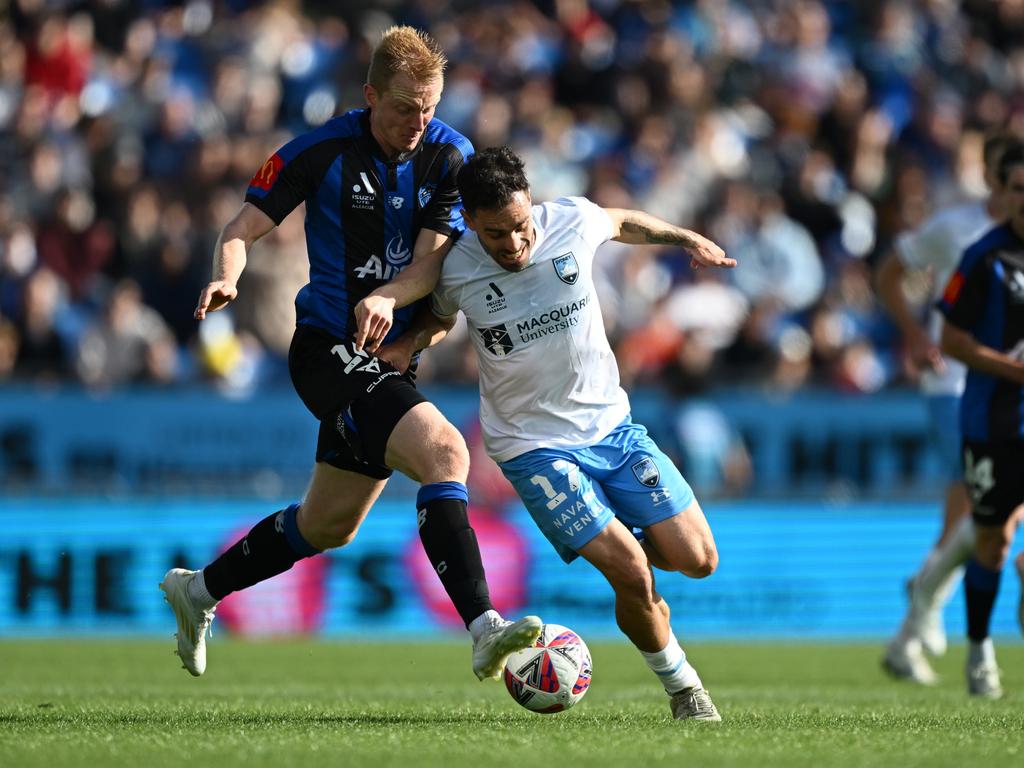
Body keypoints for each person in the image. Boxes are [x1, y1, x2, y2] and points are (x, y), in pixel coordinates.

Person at [160, 27, 541, 681]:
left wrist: (408, 327)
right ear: (370, 96)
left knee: (328, 526)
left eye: (430, 106)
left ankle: (196, 592)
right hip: (325, 349)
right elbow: (242, 226)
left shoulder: (451, 156)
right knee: (446, 453)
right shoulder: (321, 151)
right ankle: (484, 628)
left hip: (392, 354)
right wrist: (228, 272)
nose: (419, 122)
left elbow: (433, 270)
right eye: (403, 108)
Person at [364, 146, 736, 720]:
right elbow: (439, 317)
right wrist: (411, 343)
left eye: (517, 227)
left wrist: (685, 238)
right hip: (533, 448)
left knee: (698, 560)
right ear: (469, 221)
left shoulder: (572, 221)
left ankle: (621, 537)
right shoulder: (457, 265)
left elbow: (622, 221)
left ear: (530, 205)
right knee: (632, 573)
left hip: (612, 429)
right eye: (494, 235)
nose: (511, 245)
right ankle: (685, 689)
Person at [877, 132, 1018, 685]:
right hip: (953, 385)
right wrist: (914, 332)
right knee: (982, 509)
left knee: (973, 514)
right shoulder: (955, 229)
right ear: (992, 178)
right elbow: (890, 271)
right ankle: (925, 609)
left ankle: (914, 617)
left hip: (1009, 394)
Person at [936, 140, 1024, 699]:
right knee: (991, 543)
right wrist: (1014, 372)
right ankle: (978, 648)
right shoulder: (985, 257)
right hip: (994, 424)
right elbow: (952, 340)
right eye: (1018, 189)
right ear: (1005, 193)